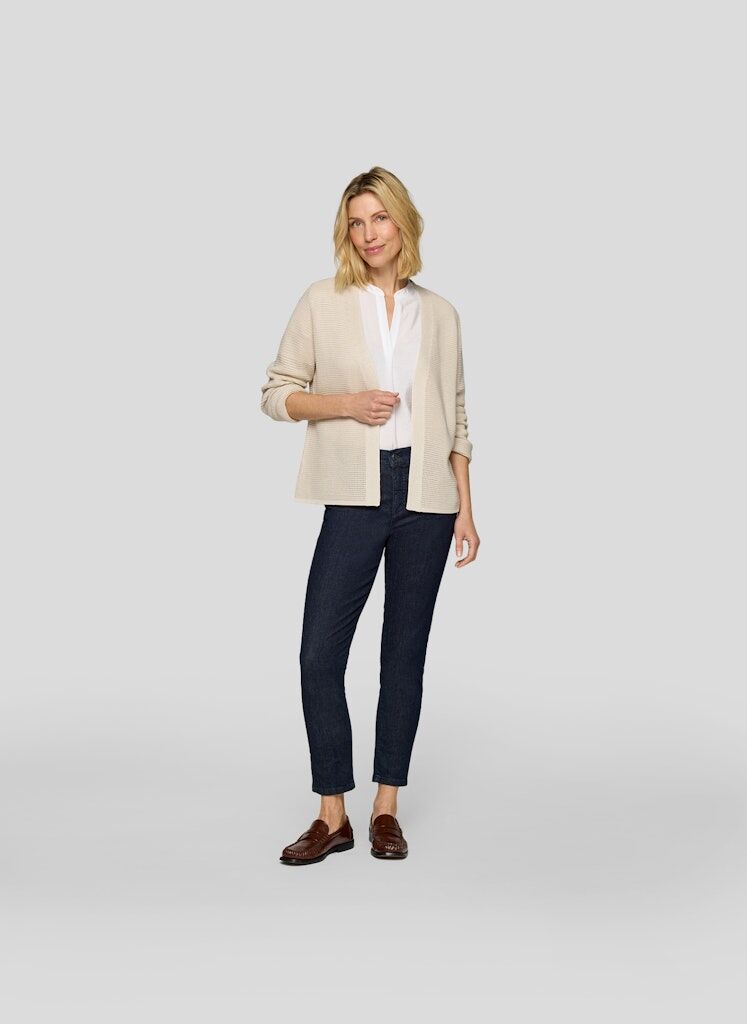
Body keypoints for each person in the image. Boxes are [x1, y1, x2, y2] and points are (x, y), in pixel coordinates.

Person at [260, 166, 480, 864]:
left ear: (402, 222)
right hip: (355, 493)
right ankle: (332, 815)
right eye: (356, 222)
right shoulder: (322, 301)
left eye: (379, 217)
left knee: (402, 657)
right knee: (319, 654)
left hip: (427, 498)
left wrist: (465, 509)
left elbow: (457, 417)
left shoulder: (439, 313)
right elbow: (275, 394)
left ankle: (386, 808)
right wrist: (345, 404)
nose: (368, 233)